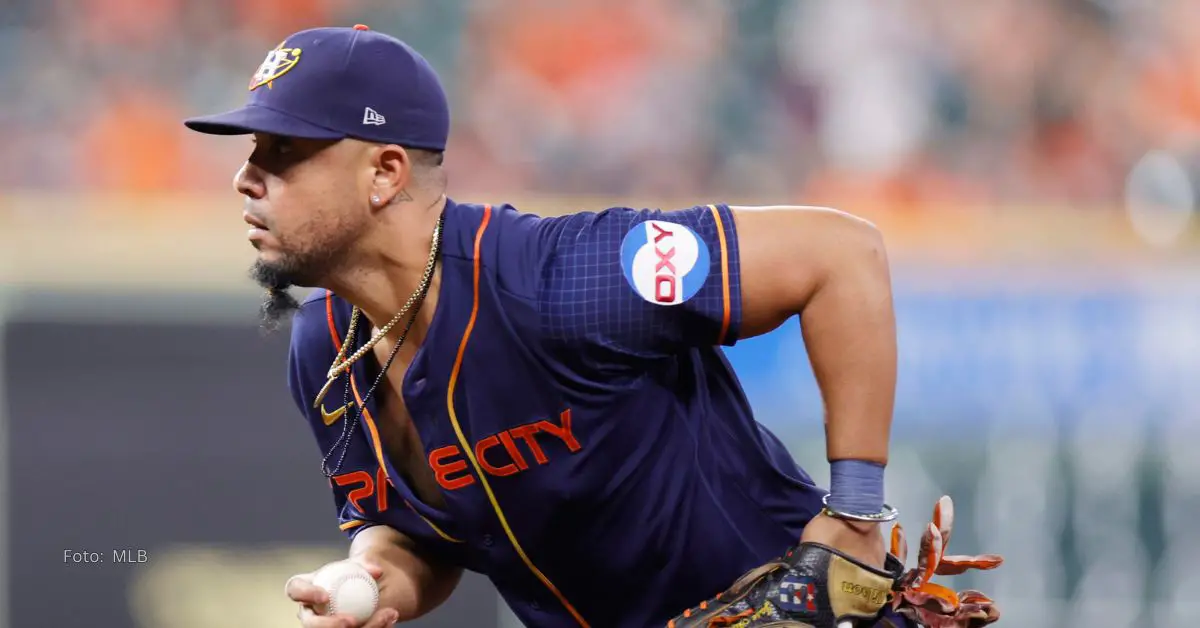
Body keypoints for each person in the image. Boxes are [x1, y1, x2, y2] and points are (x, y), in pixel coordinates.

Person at [184, 25, 1001, 628]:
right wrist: (366, 582)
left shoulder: (562, 279)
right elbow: (416, 540)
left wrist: (856, 514)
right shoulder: (326, 346)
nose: (245, 176)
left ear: (385, 173)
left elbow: (843, 254)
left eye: (282, 150)